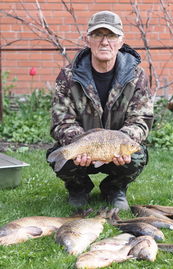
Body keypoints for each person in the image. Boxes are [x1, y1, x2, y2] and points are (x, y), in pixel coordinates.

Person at [46, 10, 154, 210]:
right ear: (88, 40)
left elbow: (142, 120)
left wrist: (122, 139)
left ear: (121, 41)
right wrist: (80, 142)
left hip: (117, 146)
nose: (105, 42)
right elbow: (61, 122)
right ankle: (78, 188)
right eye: (98, 35)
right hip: (84, 146)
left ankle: (114, 189)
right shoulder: (69, 76)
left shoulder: (136, 76)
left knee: (137, 155)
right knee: (61, 153)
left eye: (111, 35)